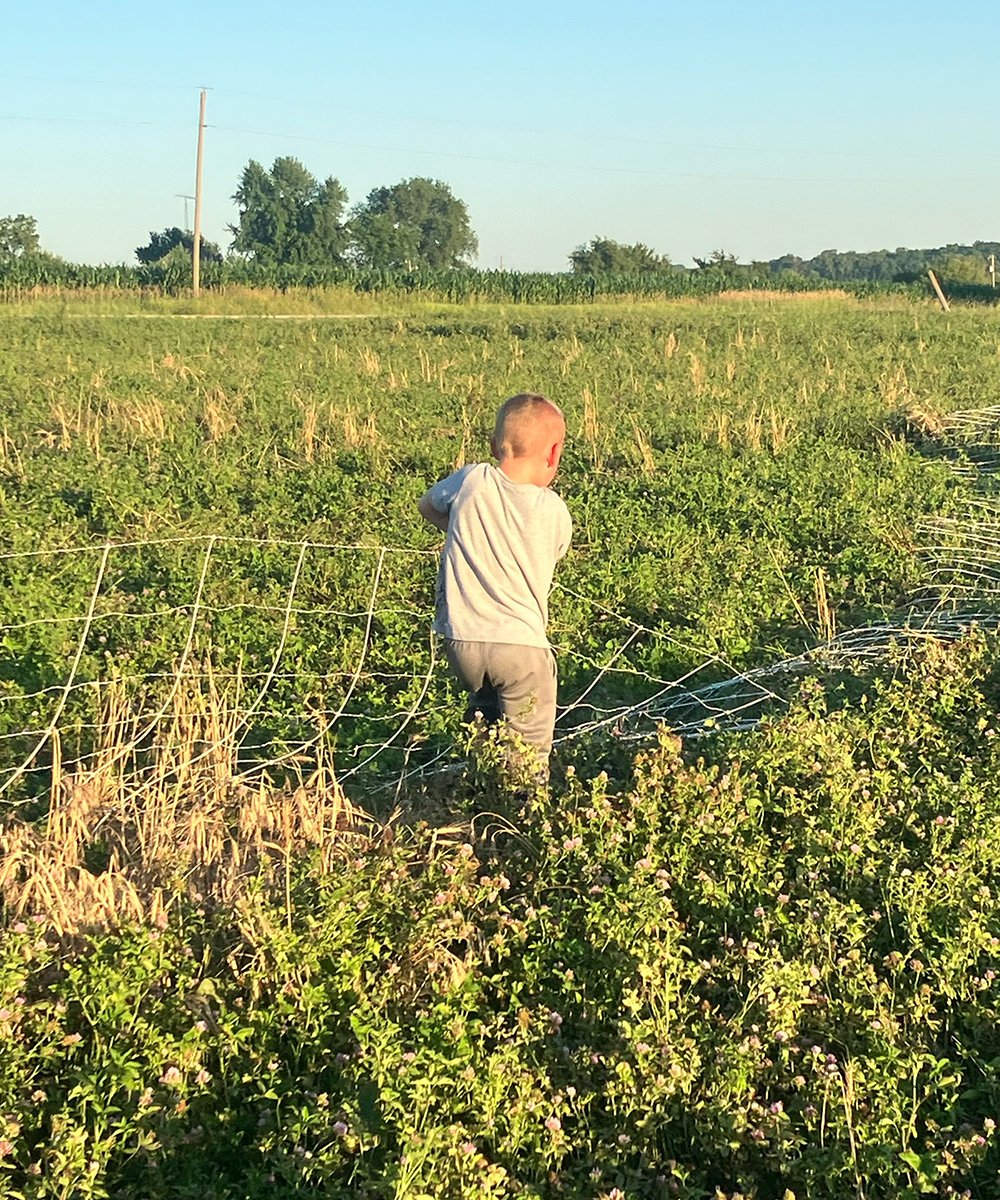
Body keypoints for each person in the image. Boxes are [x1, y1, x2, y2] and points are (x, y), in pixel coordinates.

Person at [418, 392, 572, 770]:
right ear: (554, 454)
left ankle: (480, 785)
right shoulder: (552, 509)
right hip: (521, 646)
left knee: (485, 720)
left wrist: (460, 532)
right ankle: (518, 812)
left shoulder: (471, 480)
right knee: (529, 746)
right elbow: (556, 551)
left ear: (492, 446)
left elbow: (427, 506)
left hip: (462, 641)